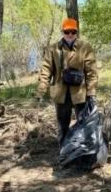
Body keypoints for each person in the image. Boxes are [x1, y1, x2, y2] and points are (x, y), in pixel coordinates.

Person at [36, 18, 98, 146]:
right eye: (67, 31)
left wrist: (91, 93)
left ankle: (82, 152)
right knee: (62, 126)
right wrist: (41, 91)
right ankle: (63, 153)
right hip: (61, 94)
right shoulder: (53, 49)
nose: (70, 35)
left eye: (73, 32)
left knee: (83, 124)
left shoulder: (85, 47)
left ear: (76, 32)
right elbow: (46, 70)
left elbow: (91, 71)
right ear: (62, 32)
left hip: (80, 94)